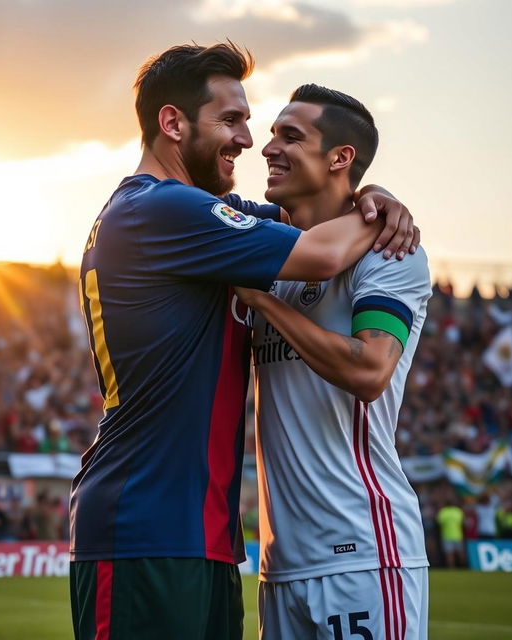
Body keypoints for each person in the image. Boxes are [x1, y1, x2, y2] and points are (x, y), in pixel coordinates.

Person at [70, 43, 418, 640]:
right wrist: (379, 210)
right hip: (144, 526)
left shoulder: (202, 215)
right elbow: (324, 250)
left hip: (201, 536)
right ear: (173, 123)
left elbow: (309, 212)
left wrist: (371, 189)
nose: (248, 141)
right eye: (230, 121)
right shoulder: (161, 209)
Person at [235, 84, 431, 639]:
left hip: (363, 551)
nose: (269, 148)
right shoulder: (270, 251)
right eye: (272, 134)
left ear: (340, 158)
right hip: (281, 564)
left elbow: (370, 371)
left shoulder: (392, 253)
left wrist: (263, 302)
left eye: (291, 137)